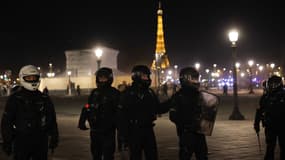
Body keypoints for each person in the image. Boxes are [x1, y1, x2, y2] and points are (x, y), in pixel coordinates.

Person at [1, 65, 59, 160]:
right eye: (29, 78)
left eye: (34, 77)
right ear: (22, 78)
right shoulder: (15, 99)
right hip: (21, 140)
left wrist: (54, 137)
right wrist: (7, 141)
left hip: (41, 140)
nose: (32, 80)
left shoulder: (44, 98)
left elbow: (52, 119)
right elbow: (7, 122)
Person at [118, 65, 169, 160]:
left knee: (152, 156)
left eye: (147, 76)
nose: (147, 79)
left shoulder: (149, 92)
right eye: (144, 76)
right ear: (136, 76)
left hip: (148, 129)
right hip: (133, 131)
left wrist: (170, 103)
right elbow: (121, 116)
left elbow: (158, 109)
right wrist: (123, 137)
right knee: (135, 156)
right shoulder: (127, 94)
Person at [168, 67, 218, 160]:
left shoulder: (200, 95)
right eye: (194, 78)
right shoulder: (178, 96)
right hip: (186, 133)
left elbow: (206, 112)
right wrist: (187, 123)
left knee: (203, 156)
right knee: (185, 156)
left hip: (199, 133)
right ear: (186, 79)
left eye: (196, 78)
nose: (196, 81)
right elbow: (173, 116)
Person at [78, 67, 120, 160]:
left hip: (108, 131)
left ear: (109, 79)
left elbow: (119, 112)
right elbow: (88, 106)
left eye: (104, 78)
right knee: (96, 155)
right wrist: (82, 119)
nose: (102, 81)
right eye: (100, 78)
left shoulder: (114, 93)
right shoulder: (94, 92)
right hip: (95, 130)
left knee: (108, 155)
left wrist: (121, 130)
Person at [254, 75, 285, 160]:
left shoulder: (283, 95)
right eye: (270, 84)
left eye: (274, 84)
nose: (272, 86)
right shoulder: (266, 97)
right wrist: (256, 123)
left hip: (282, 126)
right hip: (270, 125)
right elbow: (260, 110)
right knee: (270, 147)